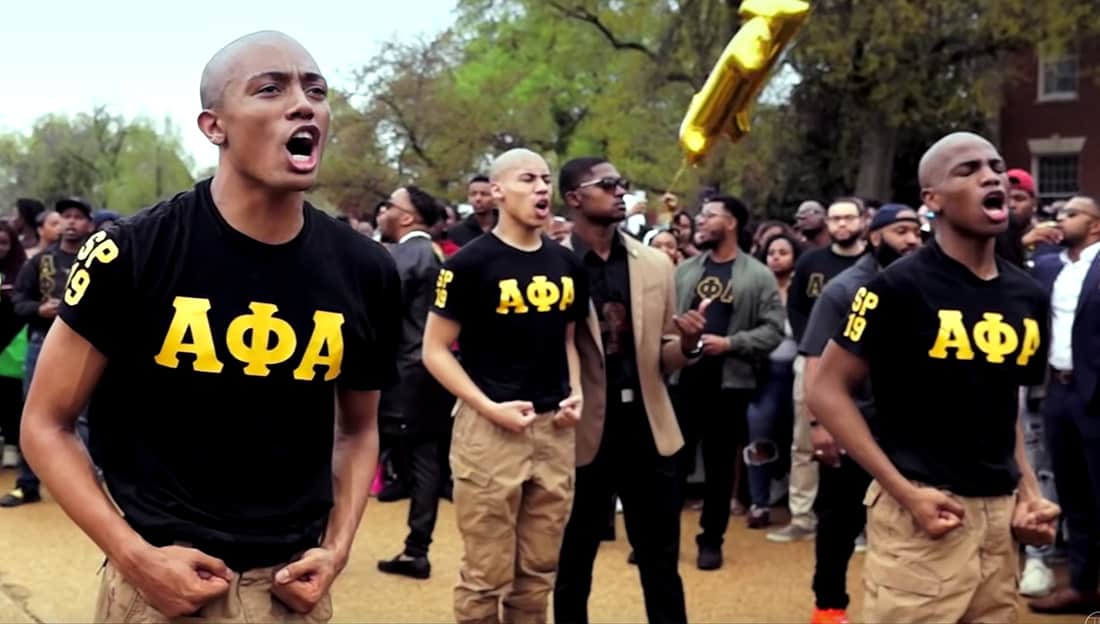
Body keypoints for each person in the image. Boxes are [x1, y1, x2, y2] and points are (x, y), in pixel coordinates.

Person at [20, 31, 401, 622]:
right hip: (160, 589)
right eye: (270, 89)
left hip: (293, 591)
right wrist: (135, 557)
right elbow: (45, 424)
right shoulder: (132, 253)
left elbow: (358, 430)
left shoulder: (366, 269)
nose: (303, 104)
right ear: (214, 125)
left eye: (316, 90)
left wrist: (338, 547)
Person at [808, 132, 1060, 623]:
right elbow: (825, 389)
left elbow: (1002, 403)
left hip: (998, 524)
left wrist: (1028, 494)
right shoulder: (894, 287)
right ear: (933, 199)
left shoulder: (1027, 296)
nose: (991, 177)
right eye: (968, 170)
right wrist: (904, 491)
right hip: (920, 518)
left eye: (995, 167)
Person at [422, 148, 588, 624]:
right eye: (527, 179)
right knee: (485, 575)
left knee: (538, 573)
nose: (541, 188)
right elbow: (434, 350)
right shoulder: (467, 265)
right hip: (489, 433)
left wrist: (575, 391)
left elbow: (568, 340)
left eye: (546, 179)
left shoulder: (566, 263)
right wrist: (487, 406)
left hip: (553, 430)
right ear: (497, 191)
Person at [553, 157, 703, 624]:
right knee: (571, 565)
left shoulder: (656, 264)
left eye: (623, 183)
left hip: (647, 430)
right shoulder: (551, 264)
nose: (621, 191)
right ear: (574, 198)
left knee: (661, 565)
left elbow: (664, 354)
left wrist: (689, 344)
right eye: (608, 184)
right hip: (579, 434)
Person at [798, 204, 922, 624]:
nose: (912, 240)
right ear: (874, 237)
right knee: (839, 521)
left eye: (916, 231)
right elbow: (815, 360)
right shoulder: (845, 290)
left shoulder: (927, 284)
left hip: (909, 428)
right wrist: (819, 425)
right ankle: (828, 605)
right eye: (901, 231)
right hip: (853, 424)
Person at [668, 195, 785, 570]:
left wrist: (731, 343)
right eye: (700, 215)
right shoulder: (686, 270)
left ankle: (711, 541)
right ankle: (662, 542)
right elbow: (667, 319)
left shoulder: (758, 275)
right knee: (672, 465)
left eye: (710, 215)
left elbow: (773, 330)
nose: (700, 221)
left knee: (720, 469)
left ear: (731, 222)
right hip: (683, 379)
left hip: (730, 385)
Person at [769, 197, 867, 544]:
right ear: (827, 223)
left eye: (849, 218)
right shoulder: (811, 261)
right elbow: (796, 307)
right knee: (804, 441)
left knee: (864, 440)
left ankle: (863, 524)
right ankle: (802, 516)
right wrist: (810, 343)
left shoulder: (872, 265)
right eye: (836, 219)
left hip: (862, 363)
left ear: (862, 221)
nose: (842, 224)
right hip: (812, 359)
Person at [374, 186, 455, 580]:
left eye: (389, 206)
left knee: (353, 450)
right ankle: (417, 549)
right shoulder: (437, 255)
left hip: (400, 377)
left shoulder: (404, 257)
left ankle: (313, 541)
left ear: (407, 217)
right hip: (431, 373)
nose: (382, 212)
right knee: (426, 460)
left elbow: (380, 318)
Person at [1028, 195, 1100, 614]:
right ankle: (1083, 585)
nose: (1060, 218)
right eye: (1059, 213)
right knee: (1073, 493)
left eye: (1071, 214)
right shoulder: (1049, 266)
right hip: (1058, 391)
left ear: (1095, 225)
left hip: (1096, 394)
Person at [1, 197, 95, 508]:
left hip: (86, 345)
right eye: (65, 216)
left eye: (78, 217)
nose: (71, 222)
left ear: (89, 225)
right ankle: (27, 484)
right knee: (34, 415)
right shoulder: (40, 262)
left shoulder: (100, 261)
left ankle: (85, 489)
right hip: (42, 343)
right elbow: (18, 301)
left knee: (83, 418)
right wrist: (39, 309)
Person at [743, 232, 802, 529]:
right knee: (759, 434)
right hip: (765, 373)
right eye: (771, 252)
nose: (776, 257)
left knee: (799, 439)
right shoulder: (757, 289)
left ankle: (799, 504)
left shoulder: (802, 288)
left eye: (783, 252)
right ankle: (759, 502)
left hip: (799, 370)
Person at [447, 174, 498, 246]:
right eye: (473, 194)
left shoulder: (508, 227)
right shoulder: (456, 232)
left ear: (495, 197)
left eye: (484, 194)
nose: (478, 198)